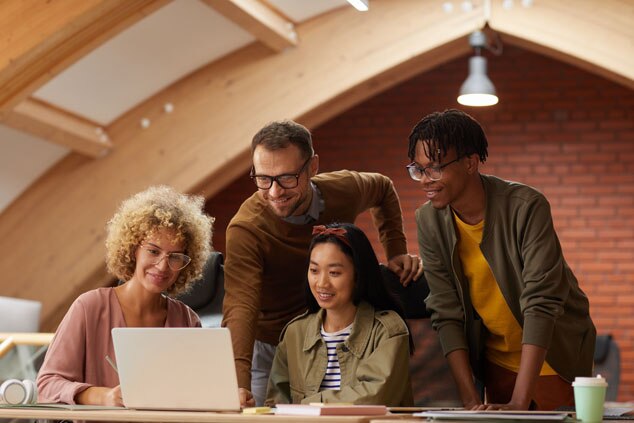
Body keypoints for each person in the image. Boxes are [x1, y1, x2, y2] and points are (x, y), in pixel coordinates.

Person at [223, 120, 423, 406]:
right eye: (263, 178)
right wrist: (237, 384)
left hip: (337, 329)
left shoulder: (344, 189)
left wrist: (396, 252)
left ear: (313, 167)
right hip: (274, 344)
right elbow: (240, 307)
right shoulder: (247, 229)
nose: (274, 192)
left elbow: (382, 188)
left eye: (287, 177)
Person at [407, 109, 596, 411]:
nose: (425, 180)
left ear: (470, 162)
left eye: (435, 168)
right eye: (418, 169)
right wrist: (470, 401)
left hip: (551, 355)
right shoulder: (428, 220)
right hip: (495, 359)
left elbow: (542, 301)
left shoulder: (525, 206)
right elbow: (446, 310)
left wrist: (520, 400)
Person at [36, 186, 221, 406]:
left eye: (175, 257)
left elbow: (198, 392)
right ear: (133, 249)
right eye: (153, 251)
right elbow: (47, 385)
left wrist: (225, 397)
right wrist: (101, 396)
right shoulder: (90, 307)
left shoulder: (187, 321)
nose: (163, 266)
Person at [265, 223, 413, 406]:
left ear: (358, 275)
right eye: (314, 270)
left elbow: (375, 398)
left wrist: (307, 405)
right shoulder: (295, 333)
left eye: (334, 273)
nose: (321, 283)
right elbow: (275, 405)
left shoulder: (388, 331)